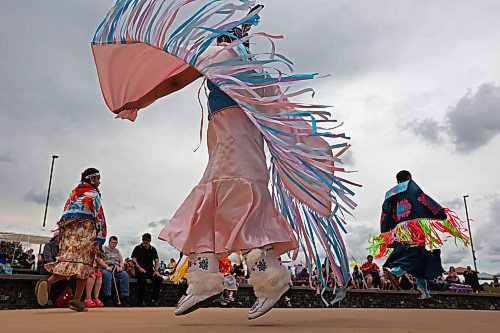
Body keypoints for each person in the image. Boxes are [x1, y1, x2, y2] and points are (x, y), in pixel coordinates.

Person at [93, 1, 358, 320]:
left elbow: (177, 81)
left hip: (233, 137)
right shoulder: (247, 63)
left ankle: (248, 281)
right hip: (233, 135)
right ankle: (217, 279)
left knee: (226, 203)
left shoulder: (219, 55)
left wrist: (137, 101)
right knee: (222, 205)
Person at [371, 170, 468, 302]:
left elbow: (385, 213)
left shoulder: (391, 194)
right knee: (417, 252)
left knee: (420, 257)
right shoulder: (410, 185)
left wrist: (385, 232)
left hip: (400, 228)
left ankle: (424, 293)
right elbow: (422, 198)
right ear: (408, 177)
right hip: (413, 225)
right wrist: (439, 212)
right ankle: (396, 272)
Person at [36, 167, 107, 312]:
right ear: (91, 178)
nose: (99, 182)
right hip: (86, 233)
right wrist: (100, 238)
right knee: (84, 266)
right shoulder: (93, 194)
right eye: (98, 178)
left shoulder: (74, 193)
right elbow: (99, 217)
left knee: (68, 263)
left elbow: (65, 214)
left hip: (69, 235)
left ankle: (47, 283)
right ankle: (76, 300)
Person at [131, 233, 163, 306]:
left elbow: (156, 260)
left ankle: (154, 300)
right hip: (139, 270)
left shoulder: (153, 249)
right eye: (144, 242)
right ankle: (141, 300)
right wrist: (139, 268)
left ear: (149, 241)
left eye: (147, 242)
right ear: (142, 240)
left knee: (158, 279)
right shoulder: (137, 248)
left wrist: (156, 271)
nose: (145, 244)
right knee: (142, 280)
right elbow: (134, 259)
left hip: (149, 270)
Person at [98, 236, 130, 305]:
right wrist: (106, 267)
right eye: (113, 242)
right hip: (106, 267)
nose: (114, 244)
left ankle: (125, 296)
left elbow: (121, 261)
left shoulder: (117, 251)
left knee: (125, 275)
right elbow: (99, 260)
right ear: (109, 242)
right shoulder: (104, 248)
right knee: (107, 275)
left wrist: (121, 266)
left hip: (116, 268)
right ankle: (107, 296)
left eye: (116, 243)